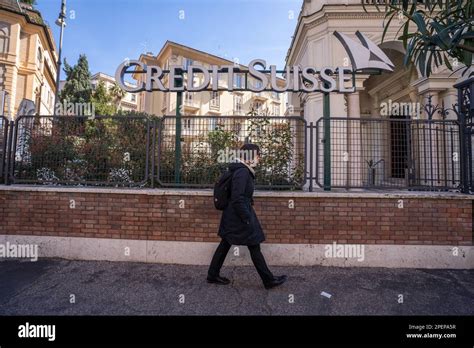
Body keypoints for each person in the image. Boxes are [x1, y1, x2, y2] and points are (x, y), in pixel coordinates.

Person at [207, 143, 287, 289]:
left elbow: (240, 195)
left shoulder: (241, 170)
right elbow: (237, 197)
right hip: (239, 216)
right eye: (258, 155)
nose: (259, 159)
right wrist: (246, 217)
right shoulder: (242, 172)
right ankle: (268, 280)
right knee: (253, 245)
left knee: (227, 244)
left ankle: (212, 275)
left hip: (234, 215)